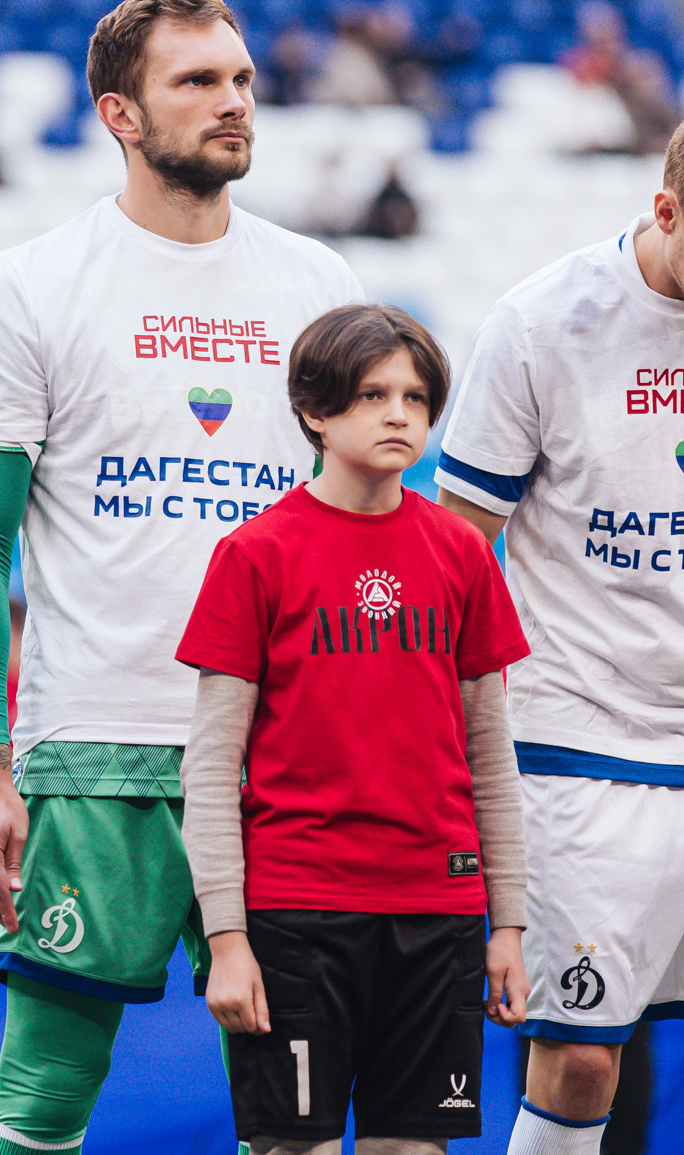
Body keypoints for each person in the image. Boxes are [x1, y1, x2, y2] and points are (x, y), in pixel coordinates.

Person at [0, 0, 363, 1155]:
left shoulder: (320, 289)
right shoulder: (31, 284)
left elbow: (363, 536)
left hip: (283, 762)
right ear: (119, 112)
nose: (232, 102)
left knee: (297, 1113)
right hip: (95, 753)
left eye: (240, 79)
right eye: (197, 82)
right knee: (43, 1107)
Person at [435, 103, 684, 1155]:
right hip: (580, 739)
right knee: (577, 1055)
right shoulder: (538, 323)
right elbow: (452, 547)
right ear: (664, 208)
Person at [179, 304, 531, 1154]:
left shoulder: (462, 554)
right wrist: (227, 939)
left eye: (414, 395)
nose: (399, 413)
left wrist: (509, 924)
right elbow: (210, 767)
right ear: (315, 410)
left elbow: (491, 757)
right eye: (373, 393)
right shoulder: (254, 554)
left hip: (438, 912)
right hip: (299, 912)